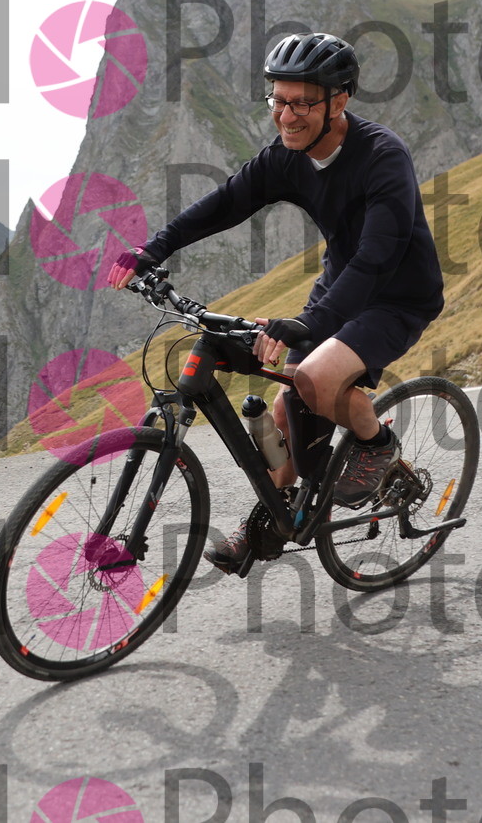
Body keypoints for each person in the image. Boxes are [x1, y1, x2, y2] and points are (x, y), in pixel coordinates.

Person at [105, 32, 444, 573]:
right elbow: (226, 203)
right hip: (338, 287)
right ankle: (276, 515)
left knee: (315, 379)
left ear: (339, 101)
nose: (286, 116)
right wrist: (153, 249)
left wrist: (309, 323)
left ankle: (376, 444)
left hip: (397, 296)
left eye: (302, 103)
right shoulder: (287, 158)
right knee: (285, 410)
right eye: (278, 101)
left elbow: (377, 258)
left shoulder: (383, 157)